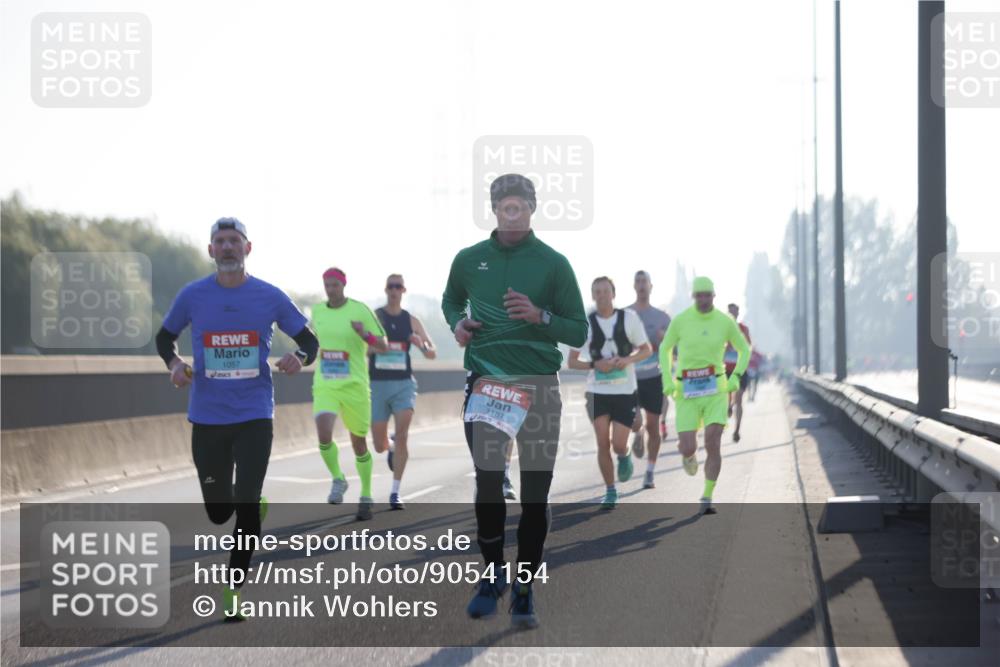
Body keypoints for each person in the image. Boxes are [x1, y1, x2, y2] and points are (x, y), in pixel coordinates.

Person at [442, 173, 586, 629]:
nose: (512, 210)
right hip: (487, 384)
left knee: (535, 494)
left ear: (532, 208)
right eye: (505, 204)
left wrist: (540, 315)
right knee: (487, 483)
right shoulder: (469, 260)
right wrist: (457, 326)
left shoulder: (553, 263)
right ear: (494, 208)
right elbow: (450, 302)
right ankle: (491, 575)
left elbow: (579, 330)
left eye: (520, 204)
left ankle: (524, 585)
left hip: (539, 385)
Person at [156, 217, 318, 621]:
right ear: (211, 251)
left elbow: (310, 342)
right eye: (219, 241)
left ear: (248, 248)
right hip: (207, 417)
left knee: (244, 506)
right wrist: (174, 364)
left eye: (234, 241)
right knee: (217, 512)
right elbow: (163, 337)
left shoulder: (270, 296)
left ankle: (233, 590)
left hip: (254, 416)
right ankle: (244, 500)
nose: (227, 247)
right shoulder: (193, 295)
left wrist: (297, 359)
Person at [659, 277, 750, 515]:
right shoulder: (680, 321)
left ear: (713, 296)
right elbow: (665, 348)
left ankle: (707, 495)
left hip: (716, 391)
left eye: (707, 295)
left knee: (713, 440)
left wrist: (736, 376)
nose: (703, 299)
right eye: (698, 295)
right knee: (687, 447)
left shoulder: (725, 321)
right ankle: (689, 456)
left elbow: (744, 349)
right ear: (693, 297)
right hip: (686, 392)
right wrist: (667, 379)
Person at [311, 267, 389, 521]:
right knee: (323, 433)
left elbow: (383, 345)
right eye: (327, 285)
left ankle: (366, 495)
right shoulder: (318, 312)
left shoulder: (359, 310)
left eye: (335, 285)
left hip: (355, 385)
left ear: (343, 285)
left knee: (358, 444)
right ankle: (338, 479)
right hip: (326, 384)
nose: (331, 289)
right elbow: (314, 343)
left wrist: (364, 334)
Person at [567, 277, 651, 509]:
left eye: (606, 291)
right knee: (602, 442)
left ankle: (624, 456)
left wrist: (627, 359)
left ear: (613, 294)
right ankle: (610, 490)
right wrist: (596, 365)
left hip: (624, 391)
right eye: (597, 292)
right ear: (593, 296)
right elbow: (572, 361)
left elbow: (646, 350)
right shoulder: (585, 324)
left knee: (617, 444)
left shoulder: (629, 319)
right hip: (597, 392)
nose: (602, 295)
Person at [369, 273, 437, 510]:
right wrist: (375, 346)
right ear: (386, 290)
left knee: (403, 434)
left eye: (398, 286)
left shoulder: (412, 320)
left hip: (404, 385)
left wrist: (420, 344)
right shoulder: (376, 317)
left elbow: (432, 353)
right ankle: (390, 446)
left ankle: (395, 492)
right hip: (377, 384)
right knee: (378, 443)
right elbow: (362, 348)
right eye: (391, 286)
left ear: (403, 290)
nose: (394, 290)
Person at [626, 270, 672, 489]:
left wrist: (665, 342)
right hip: (630, 378)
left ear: (651, 286)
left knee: (654, 426)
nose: (642, 285)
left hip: (654, 377)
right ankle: (638, 432)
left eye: (645, 281)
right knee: (635, 422)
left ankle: (650, 472)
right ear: (634, 286)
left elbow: (677, 351)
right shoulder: (624, 314)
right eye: (638, 281)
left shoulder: (662, 317)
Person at [724, 303, 752, 442]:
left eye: (734, 312)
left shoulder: (743, 329)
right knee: (726, 399)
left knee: (739, 399)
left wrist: (738, 346)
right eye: (730, 312)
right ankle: (729, 405)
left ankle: (737, 430)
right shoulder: (722, 328)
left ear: (738, 313)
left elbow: (748, 348)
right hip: (725, 370)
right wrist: (725, 347)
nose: (732, 315)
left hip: (740, 369)